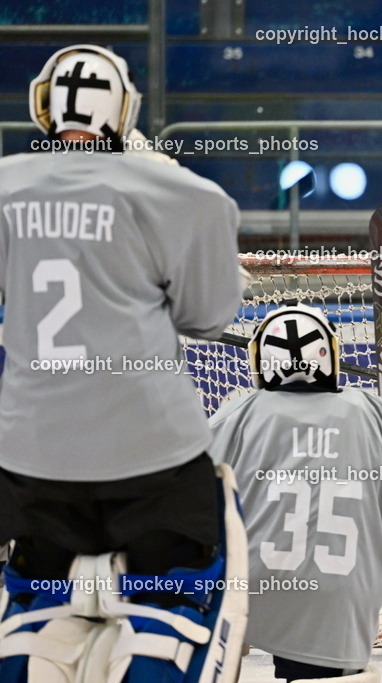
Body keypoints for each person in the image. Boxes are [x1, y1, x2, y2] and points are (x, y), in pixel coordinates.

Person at [0, 44, 245, 682]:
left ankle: (31, 630)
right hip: (153, 457)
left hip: (30, 461)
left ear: (45, 108)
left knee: (32, 608)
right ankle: (161, 638)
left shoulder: (6, 184)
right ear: (124, 110)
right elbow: (207, 317)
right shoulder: (176, 190)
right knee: (177, 602)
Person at [207, 304, 382, 682]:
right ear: (330, 355)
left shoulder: (235, 416)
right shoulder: (370, 412)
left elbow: (187, 512)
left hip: (243, 593)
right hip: (335, 602)